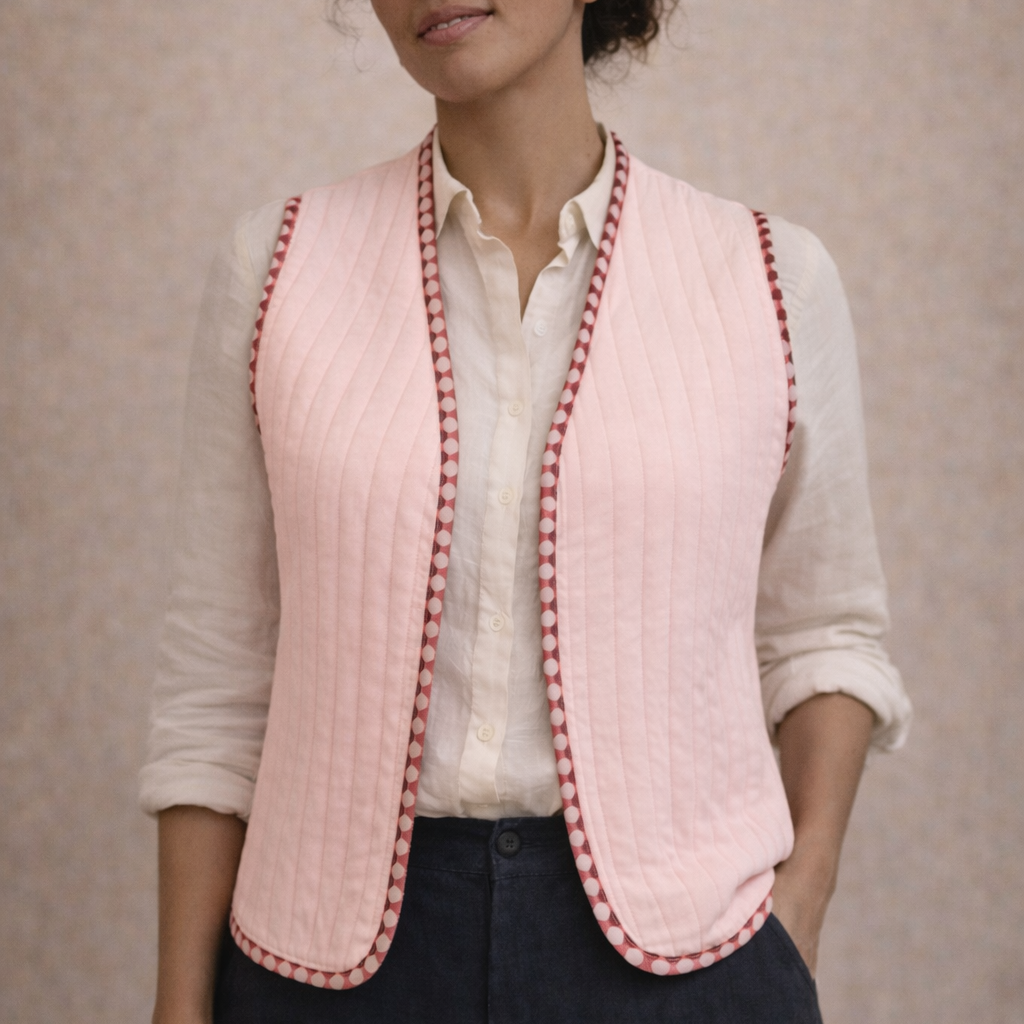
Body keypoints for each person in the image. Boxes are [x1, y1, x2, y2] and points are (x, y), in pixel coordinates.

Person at [140, 1, 912, 1021]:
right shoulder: (276, 268)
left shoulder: (771, 279)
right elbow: (217, 681)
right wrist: (180, 1005)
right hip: (322, 974)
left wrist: (795, 910)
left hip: (685, 969)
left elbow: (826, 635)